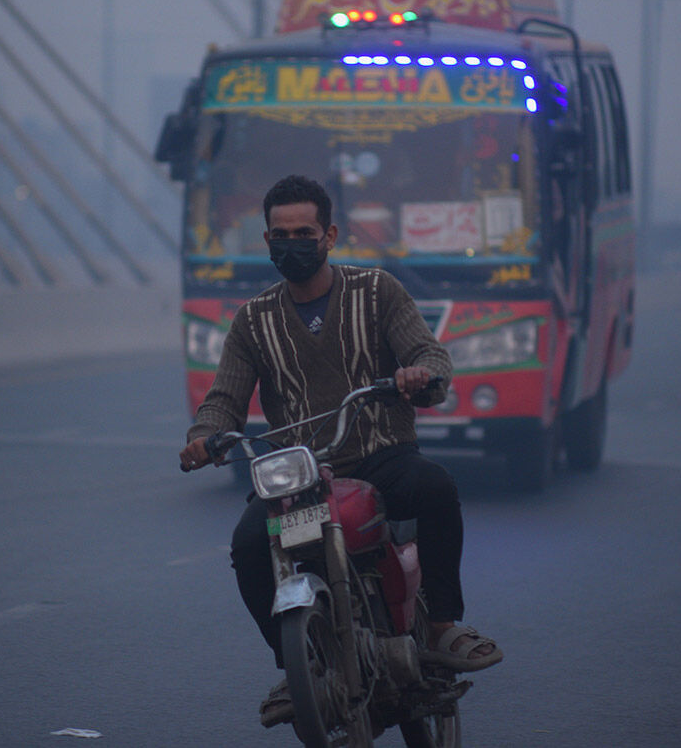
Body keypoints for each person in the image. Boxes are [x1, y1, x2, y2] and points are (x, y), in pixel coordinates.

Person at [178, 175, 502, 728]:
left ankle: (445, 625)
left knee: (437, 489)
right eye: (281, 235)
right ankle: (297, 664)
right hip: (303, 479)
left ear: (329, 235)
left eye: (304, 232)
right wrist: (202, 438)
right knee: (250, 546)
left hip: (381, 458)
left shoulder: (377, 292)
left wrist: (420, 377)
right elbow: (224, 400)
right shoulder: (253, 321)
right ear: (266, 240)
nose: (292, 243)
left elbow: (428, 353)